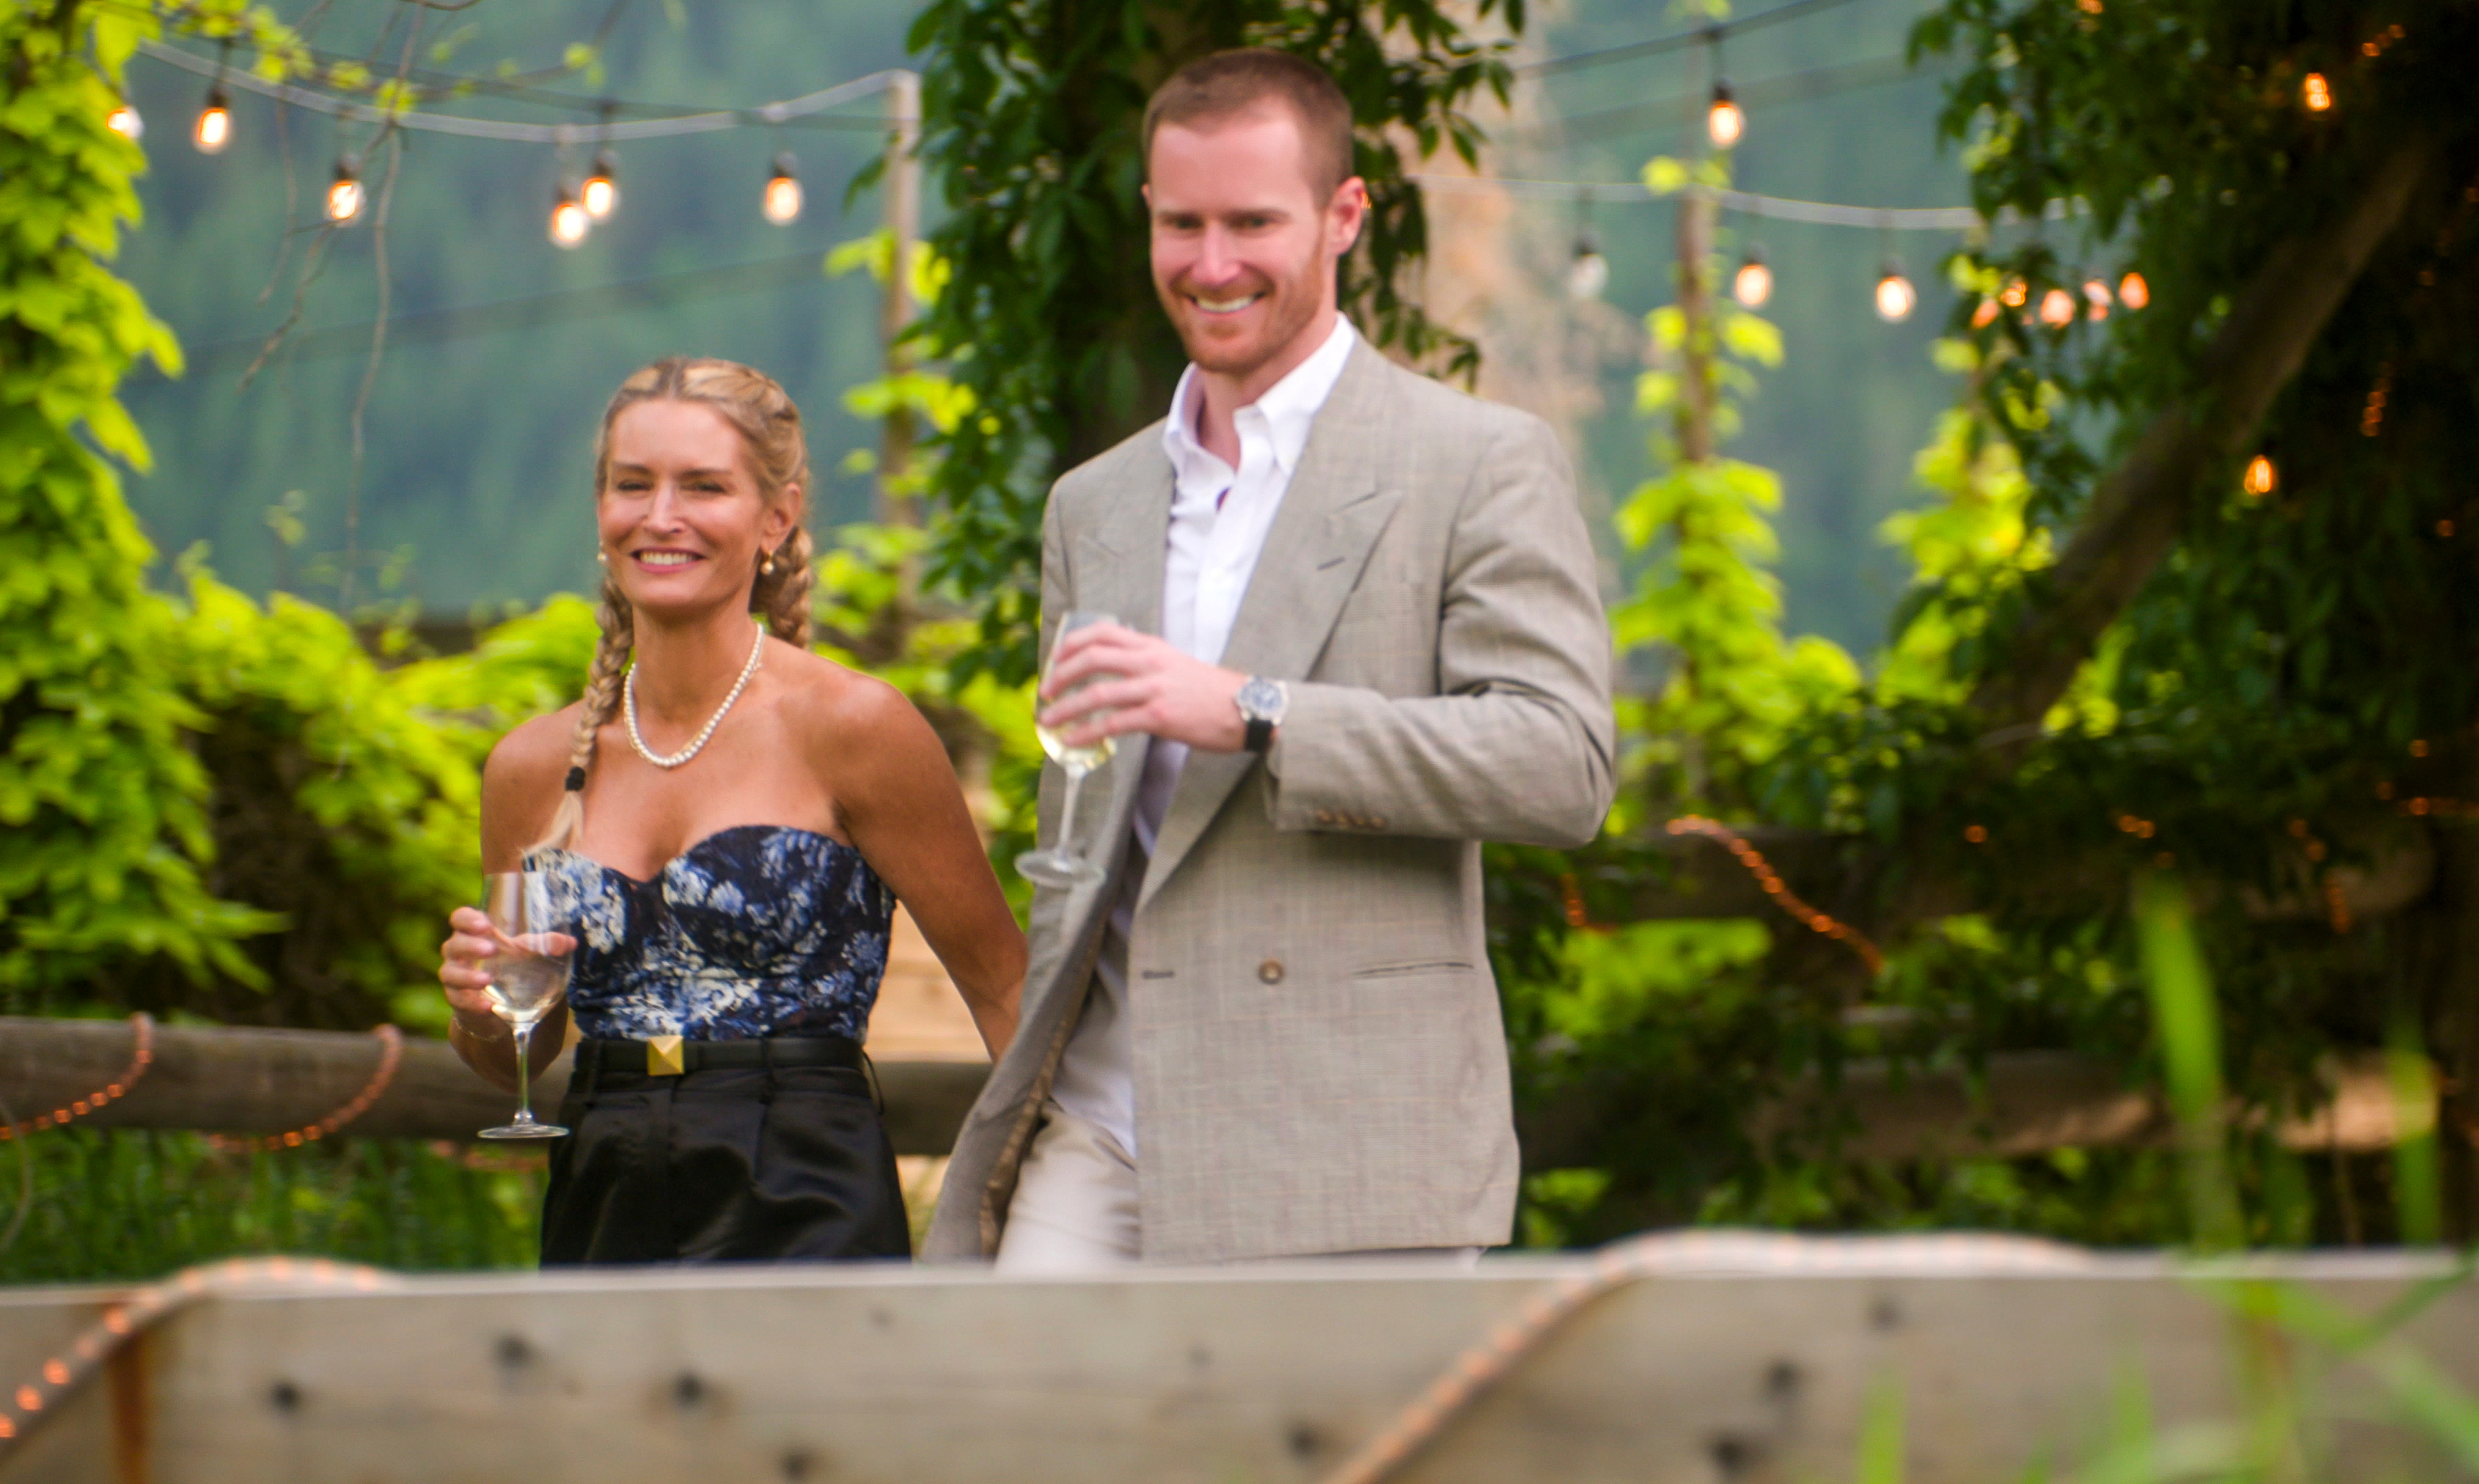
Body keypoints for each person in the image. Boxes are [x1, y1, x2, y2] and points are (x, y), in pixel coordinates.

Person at [925, 49, 1616, 1269]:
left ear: (1345, 215)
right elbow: (1079, 829)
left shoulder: (1475, 459)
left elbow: (1560, 763)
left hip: (1343, 1137)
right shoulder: (1094, 503)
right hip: (1099, 1126)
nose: (1212, 264)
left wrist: (1255, 708)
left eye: (1254, 221)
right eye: (1181, 222)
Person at [437, 356, 1025, 1265]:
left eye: (703, 486)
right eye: (633, 484)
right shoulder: (530, 765)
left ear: (776, 518)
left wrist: (1059, 1217)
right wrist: (480, 1009)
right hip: (603, 1178)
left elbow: (1003, 984)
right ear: (601, 511)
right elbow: (520, 1048)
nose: (660, 515)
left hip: (807, 1184)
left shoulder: (856, 726)